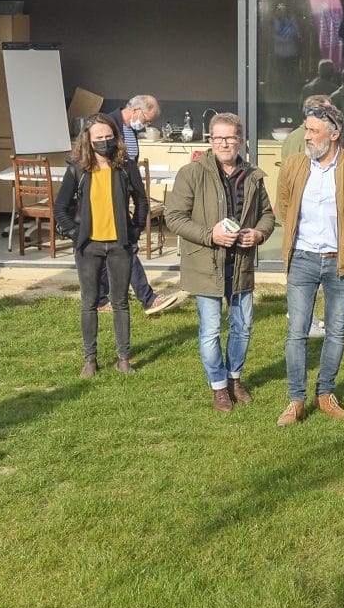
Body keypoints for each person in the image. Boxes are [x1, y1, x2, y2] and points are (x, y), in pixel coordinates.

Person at [273, 102, 344, 424]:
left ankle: (326, 393)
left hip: (341, 261)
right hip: (302, 258)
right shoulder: (292, 166)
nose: (306, 136)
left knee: (337, 331)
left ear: (334, 134)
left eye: (313, 131)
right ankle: (296, 400)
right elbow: (284, 207)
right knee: (296, 331)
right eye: (306, 129)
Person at [164, 112, 272, 412]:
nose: (224, 143)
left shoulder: (252, 175)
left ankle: (235, 378)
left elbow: (268, 214)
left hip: (240, 263)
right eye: (218, 138)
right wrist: (209, 235)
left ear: (241, 140)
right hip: (206, 263)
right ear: (210, 141)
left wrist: (259, 234)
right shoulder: (193, 173)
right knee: (211, 330)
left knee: (244, 327)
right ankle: (219, 387)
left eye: (230, 138)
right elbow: (174, 217)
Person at [55, 113, 147, 377]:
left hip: (120, 245)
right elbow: (60, 207)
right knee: (89, 302)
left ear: (115, 138)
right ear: (88, 140)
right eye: (99, 138)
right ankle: (90, 359)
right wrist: (76, 233)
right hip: (89, 247)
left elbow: (141, 201)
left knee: (120, 302)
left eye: (108, 137)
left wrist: (135, 231)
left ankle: (124, 358)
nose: (104, 142)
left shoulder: (126, 166)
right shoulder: (77, 168)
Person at [102, 93, 184, 316]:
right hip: (108, 198)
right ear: (136, 110)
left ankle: (100, 298)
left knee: (113, 248)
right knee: (125, 247)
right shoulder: (107, 124)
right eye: (147, 120)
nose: (146, 124)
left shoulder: (129, 130)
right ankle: (147, 299)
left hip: (124, 195)